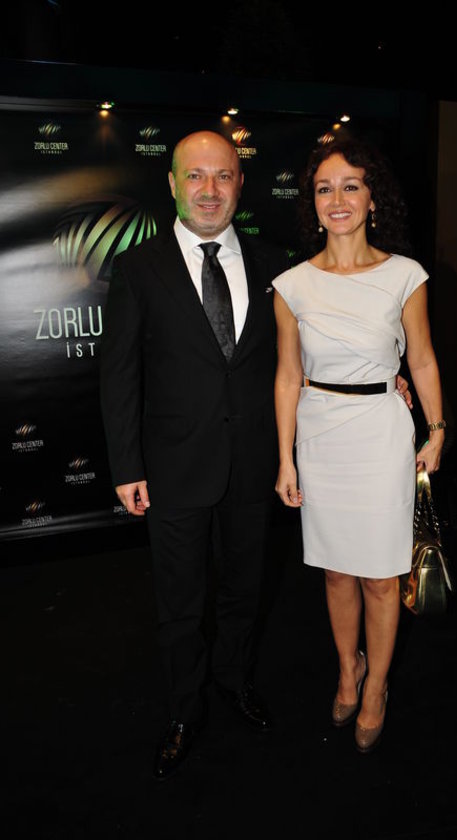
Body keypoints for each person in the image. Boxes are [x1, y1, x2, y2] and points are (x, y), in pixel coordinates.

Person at [99, 130, 292, 781]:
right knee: (181, 602)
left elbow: (299, 360)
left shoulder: (276, 264)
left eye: (223, 176)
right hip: (173, 467)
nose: (210, 190)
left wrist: (389, 375)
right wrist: (127, 466)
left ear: (241, 183)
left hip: (253, 463)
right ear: (173, 184)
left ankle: (233, 680)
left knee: (244, 589)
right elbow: (119, 376)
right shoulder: (137, 267)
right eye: (196, 176)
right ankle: (185, 709)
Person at [272, 138, 445, 753]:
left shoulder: (405, 276)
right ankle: (349, 669)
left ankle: (377, 689)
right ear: (313, 204)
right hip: (320, 435)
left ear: (374, 198)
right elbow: (287, 376)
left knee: (380, 576)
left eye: (351, 185)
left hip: (381, 434)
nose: (338, 199)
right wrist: (286, 458)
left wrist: (437, 429)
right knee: (336, 570)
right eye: (325, 188)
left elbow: (421, 360)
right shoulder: (291, 285)